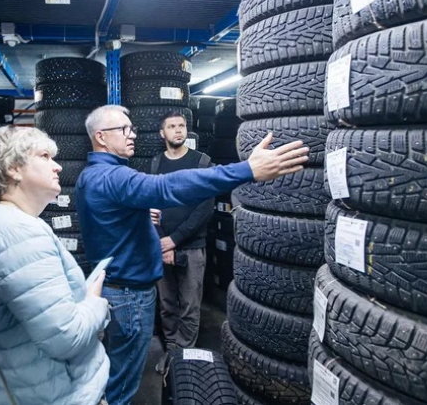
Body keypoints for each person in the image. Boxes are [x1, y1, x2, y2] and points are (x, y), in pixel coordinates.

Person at [75, 105, 309, 405]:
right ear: (101, 137)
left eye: (131, 128)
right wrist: (246, 170)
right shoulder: (113, 177)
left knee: (116, 371)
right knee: (122, 385)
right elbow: (168, 186)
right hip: (129, 296)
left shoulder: (92, 175)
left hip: (118, 288)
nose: (132, 134)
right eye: (123, 129)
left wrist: (142, 218)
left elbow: (108, 223)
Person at [0, 126, 110, 405]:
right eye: (45, 156)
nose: (58, 167)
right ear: (14, 169)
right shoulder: (16, 235)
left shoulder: (16, 224)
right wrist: (95, 302)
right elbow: (66, 336)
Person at [148, 111, 213, 373]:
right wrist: (162, 241)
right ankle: (172, 349)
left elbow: (204, 208)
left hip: (192, 246)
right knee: (166, 304)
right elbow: (151, 203)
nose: (178, 130)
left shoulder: (201, 162)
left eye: (182, 126)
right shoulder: (154, 165)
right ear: (162, 133)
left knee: (189, 305)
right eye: (172, 127)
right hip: (161, 246)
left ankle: (182, 357)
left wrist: (173, 240)